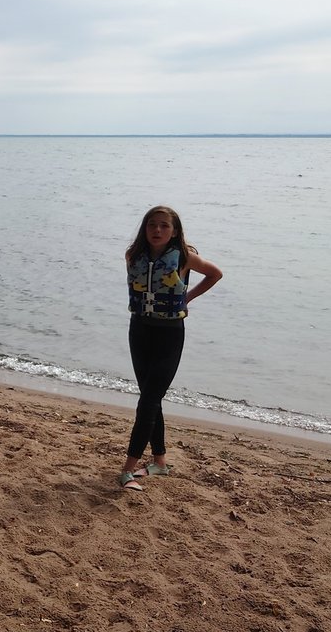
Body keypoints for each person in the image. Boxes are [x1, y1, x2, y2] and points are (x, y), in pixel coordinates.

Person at [118, 206, 222, 492]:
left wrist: (187, 297)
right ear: (145, 228)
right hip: (139, 330)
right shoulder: (133, 256)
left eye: (164, 226)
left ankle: (128, 469)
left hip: (169, 335)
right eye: (152, 225)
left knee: (149, 400)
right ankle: (160, 462)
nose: (157, 230)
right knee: (150, 398)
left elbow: (215, 274)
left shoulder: (185, 257)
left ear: (174, 230)